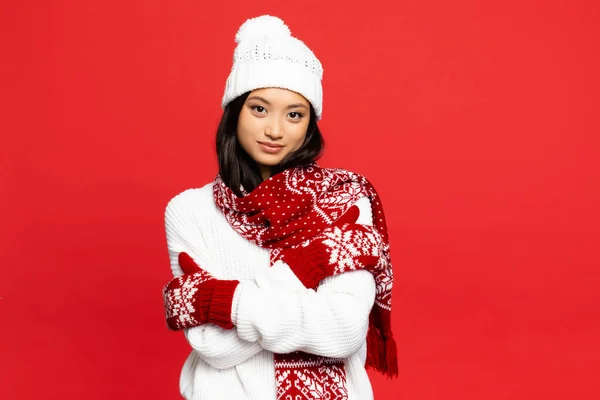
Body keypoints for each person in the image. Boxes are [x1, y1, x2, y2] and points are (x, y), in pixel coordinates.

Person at [162, 15, 397, 400]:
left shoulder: (343, 200)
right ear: (234, 111)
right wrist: (302, 270)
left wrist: (223, 300)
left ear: (309, 124)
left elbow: (342, 331)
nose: (275, 130)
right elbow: (211, 346)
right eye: (259, 109)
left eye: (294, 114)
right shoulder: (189, 211)